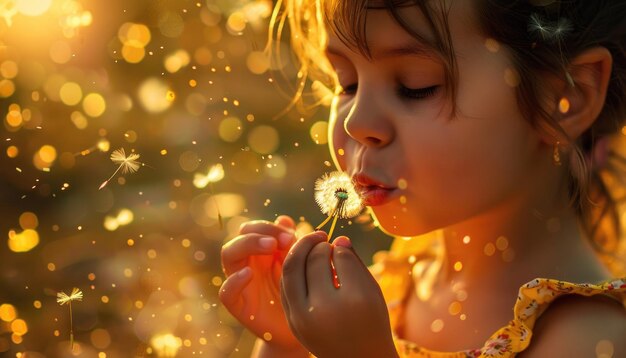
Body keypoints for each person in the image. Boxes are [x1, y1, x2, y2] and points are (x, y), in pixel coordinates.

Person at [219, 0, 626, 356]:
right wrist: (288, 342)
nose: (358, 121)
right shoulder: (405, 275)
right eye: (348, 83)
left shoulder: (592, 339)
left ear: (565, 97)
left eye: (416, 86)